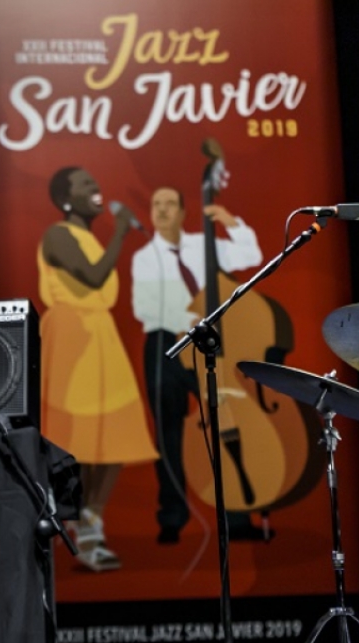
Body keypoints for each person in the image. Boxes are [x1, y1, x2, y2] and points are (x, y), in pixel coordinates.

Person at [37, 167, 157, 572]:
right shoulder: (57, 236)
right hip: (72, 336)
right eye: (85, 184)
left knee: (113, 438)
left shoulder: (88, 236)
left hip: (100, 336)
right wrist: (121, 230)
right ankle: (68, 523)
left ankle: (91, 520)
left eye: (96, 182)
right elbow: (92, 276)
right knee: (78, 440)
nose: (96, 188)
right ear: (65, 199)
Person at [130, 187, 264, 544]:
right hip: (165, 345)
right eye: (156, 204)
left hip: (204, 343)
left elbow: (251, 255)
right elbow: (144, 307)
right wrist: (188, 317)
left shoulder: (203, 247)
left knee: (224, 426)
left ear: (182, 212)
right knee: (168, 436)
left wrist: (230, 222)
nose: (162, 210)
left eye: (169, 204)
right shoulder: (144, 257)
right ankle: (172, 517)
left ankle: (236, 518)